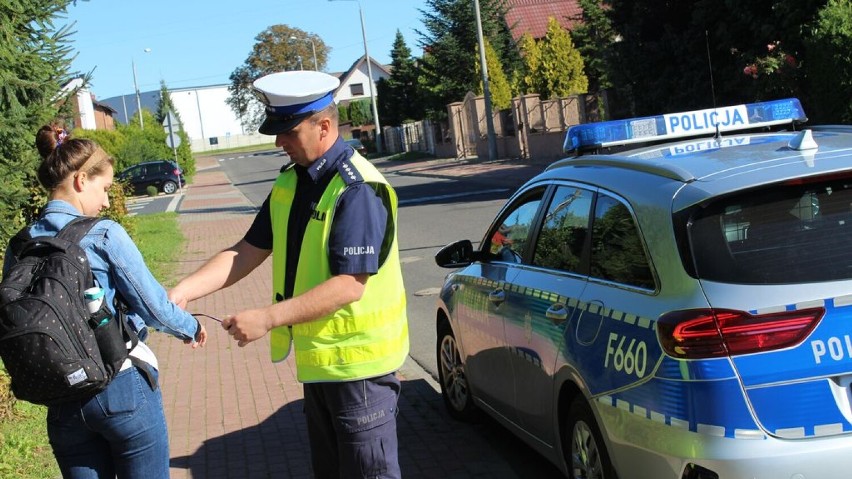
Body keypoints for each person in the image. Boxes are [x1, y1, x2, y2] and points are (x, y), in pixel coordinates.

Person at [169, 70, 409, 479]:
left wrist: (267, 319)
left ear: (325, 127)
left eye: (289, 132)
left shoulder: (358, 189)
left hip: (361, 375)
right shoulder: (291, 182)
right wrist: (183, 291)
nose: (279, 142)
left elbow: (349, 286)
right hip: (321, 369)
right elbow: (247, 251)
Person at [2, 124, 208, 479]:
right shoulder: (103, 233)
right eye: (105, 188)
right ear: (82, 180)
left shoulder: (20, 244)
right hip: (120, 388)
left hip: (61, 396)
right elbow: (154, 306)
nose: (107, 201)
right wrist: (191, 327)